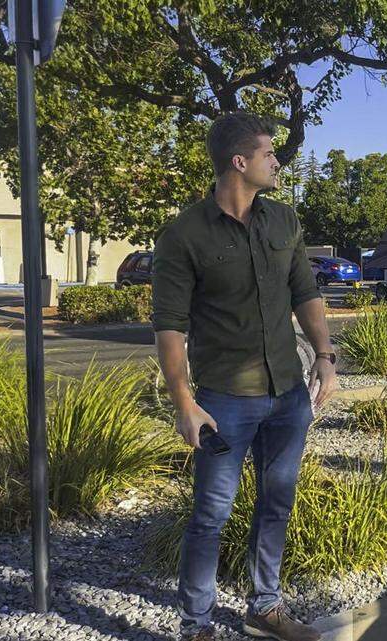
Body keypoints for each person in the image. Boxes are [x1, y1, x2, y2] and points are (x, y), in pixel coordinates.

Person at [152, 112, 337, 641]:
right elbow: (169, 327)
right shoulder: (183, 234)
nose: (277, 161)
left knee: (276, 503)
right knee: (210, 514)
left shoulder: (283, 221)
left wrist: (325, 357)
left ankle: (265, 607)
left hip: (288, 395)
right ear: (240, 162)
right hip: (224, 401)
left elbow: (306, 293)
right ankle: (196, 625)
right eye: (269, 153)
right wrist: (184, 403)